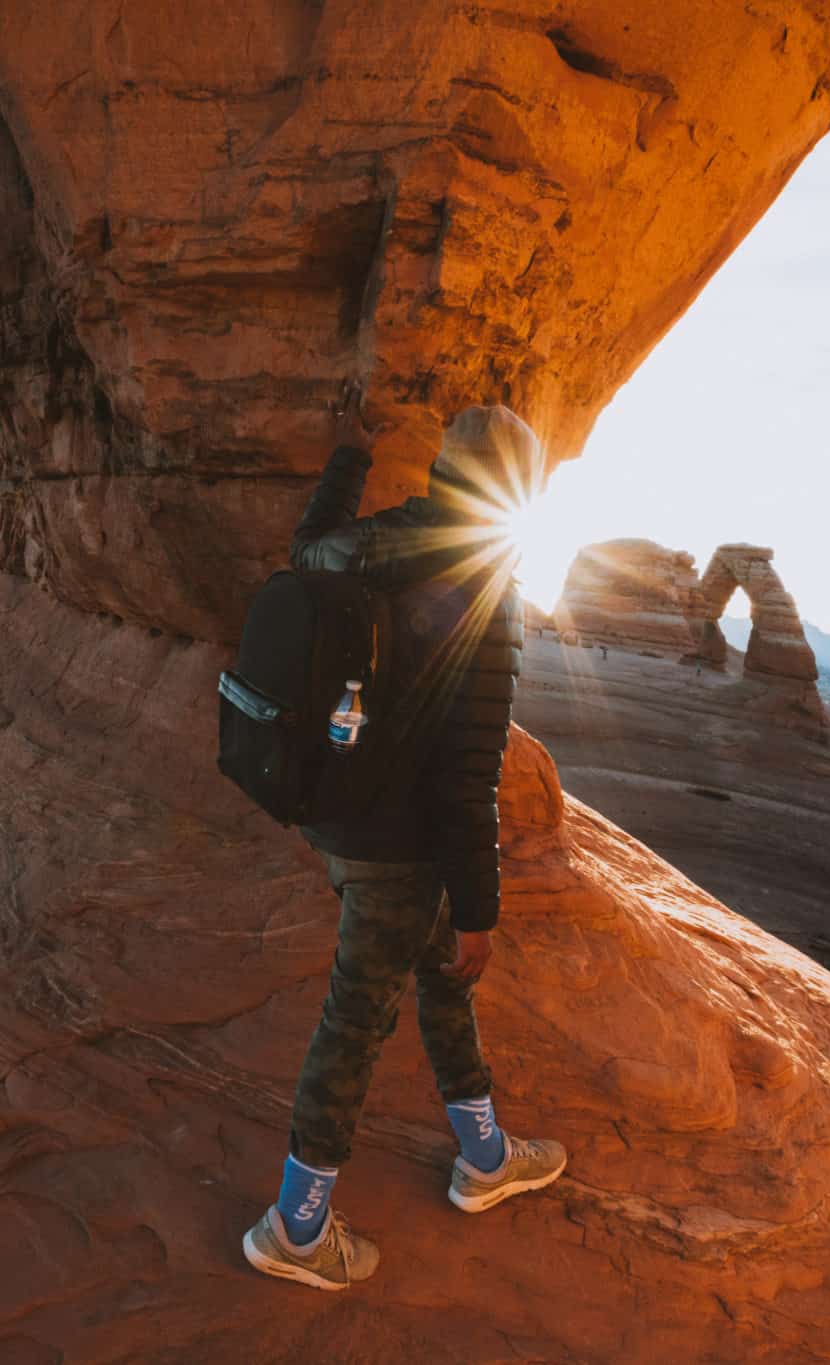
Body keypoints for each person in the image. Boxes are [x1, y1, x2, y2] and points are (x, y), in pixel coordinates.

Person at [240, 383, 568, 1292]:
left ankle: (487, 1158)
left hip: (340, 817)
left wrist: (347, 456)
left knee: (439, 986)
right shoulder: (489, 587)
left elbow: (306, 548)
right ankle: (295, 1231)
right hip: (401, 847)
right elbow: (471, 769)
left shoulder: (376, 540)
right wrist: (479, 909)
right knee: (357, 1020)